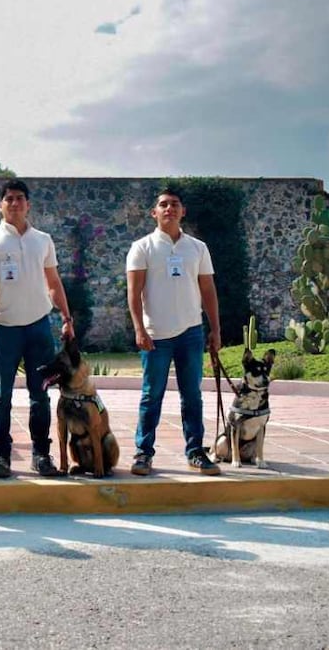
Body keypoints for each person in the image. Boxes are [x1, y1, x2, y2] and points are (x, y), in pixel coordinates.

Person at [0, 179, 74, 478]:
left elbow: (53, 283)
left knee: (40, 394)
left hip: (38, 327)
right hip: (4, 327)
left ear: (28, 204)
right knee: (1, 396)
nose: (15, 203)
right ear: (1, 205)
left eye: (20, 198)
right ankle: (1, 456)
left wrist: (67, 318)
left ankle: (41, 455)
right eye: (9, 198)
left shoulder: (42, 240)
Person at [126, 188, 222, 476]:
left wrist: (215, 329)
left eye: (174, 204)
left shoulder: (198, 248)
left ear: (183, 211)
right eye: (163, 205)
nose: (169, 208)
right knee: (151, 395)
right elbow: (134, 292)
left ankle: (196, 451)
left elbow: (208, 290)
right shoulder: (142, 247)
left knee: (192, 395)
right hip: (155, 335)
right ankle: (143, 452)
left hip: (190, 332)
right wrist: (139, 328)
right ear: (153, 213)